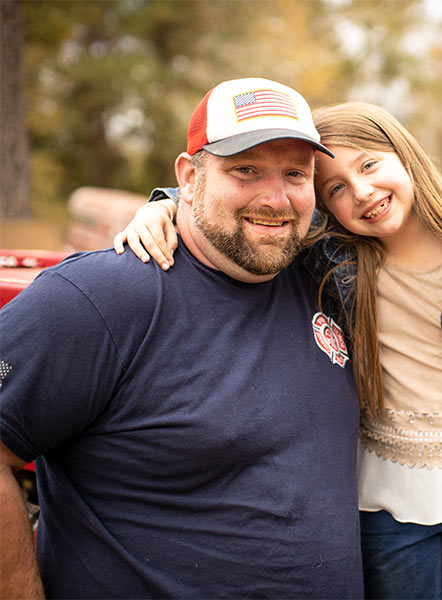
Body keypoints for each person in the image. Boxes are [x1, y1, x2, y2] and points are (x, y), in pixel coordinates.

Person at [114, 102, 442, 599]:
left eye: (369, 165)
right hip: (385, 491)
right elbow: (248, 210)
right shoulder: (332, 253)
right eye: (336, 189)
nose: (362, 192)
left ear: (406, 157)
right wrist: (164, 205)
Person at [0, 77, 364, 599]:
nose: (276, 197)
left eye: (295, 173)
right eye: (246, 170)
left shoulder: (327, 280)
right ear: (189, 178)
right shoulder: (100, 298)